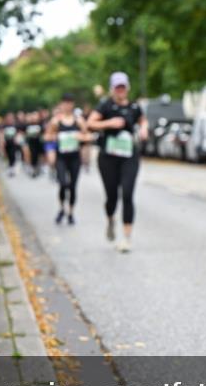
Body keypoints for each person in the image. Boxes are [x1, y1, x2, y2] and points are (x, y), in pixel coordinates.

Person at [87, 72, 149, 252]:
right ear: (112, 89)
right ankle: (110, 219)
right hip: (108, 157)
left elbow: (143, 121)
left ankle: (127, 238)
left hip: (129, 155)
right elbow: (90, 124)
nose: (120, 90)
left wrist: (144, 129)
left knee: (128, 194)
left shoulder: (135, 106)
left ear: (127, 88)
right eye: (117, 87)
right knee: (112, 197)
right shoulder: (105, 105)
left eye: (123, 87)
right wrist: (108, 123)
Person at [47, 94, 90, 225]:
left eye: (69, 102)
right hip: (61, 157)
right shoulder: (55, 121)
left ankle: (71, 212)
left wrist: (80, 137)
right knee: (62, 183)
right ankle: (61, 209)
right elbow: (47, 137)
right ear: (61, 104)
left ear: (72, 104)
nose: (67, 105)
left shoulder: (79, 120)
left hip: (74, 157)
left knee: (72, 186)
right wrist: (55, 141)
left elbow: (88, 136)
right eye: (65, 103)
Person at [0, 112, 20, 177]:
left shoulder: (15, 125)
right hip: (6, 143)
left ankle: (12, 167)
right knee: (7, 155)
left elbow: (19, 133)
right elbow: (1, 133)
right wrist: (2, 141)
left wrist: (17, 138)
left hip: (13, 143)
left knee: (13, 154)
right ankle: (10, 166)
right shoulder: (4, 126)